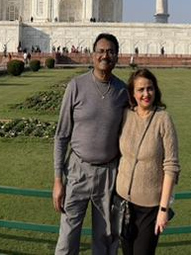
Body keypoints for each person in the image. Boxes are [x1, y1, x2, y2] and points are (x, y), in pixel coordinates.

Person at [53, 33, 128, 255]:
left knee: (105, 241)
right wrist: (58, 180)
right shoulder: (76, 86)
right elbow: (61, 135)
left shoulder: (122, 91)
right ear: (92, 55)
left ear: (117, 57)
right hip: (77, 171)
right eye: (101, 51)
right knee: (67, 239)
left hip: (108, 174)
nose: (106, 55)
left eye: (111, 52)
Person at [116, 68, 180, 254]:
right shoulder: (127, 115)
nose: (146, 94)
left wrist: (163, 209)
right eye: (140, 90)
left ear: (155, 90)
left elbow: (171, 167)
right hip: (123, 203)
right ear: (132, 93)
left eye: (149, 88)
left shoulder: (163, 119)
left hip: (150, 208)